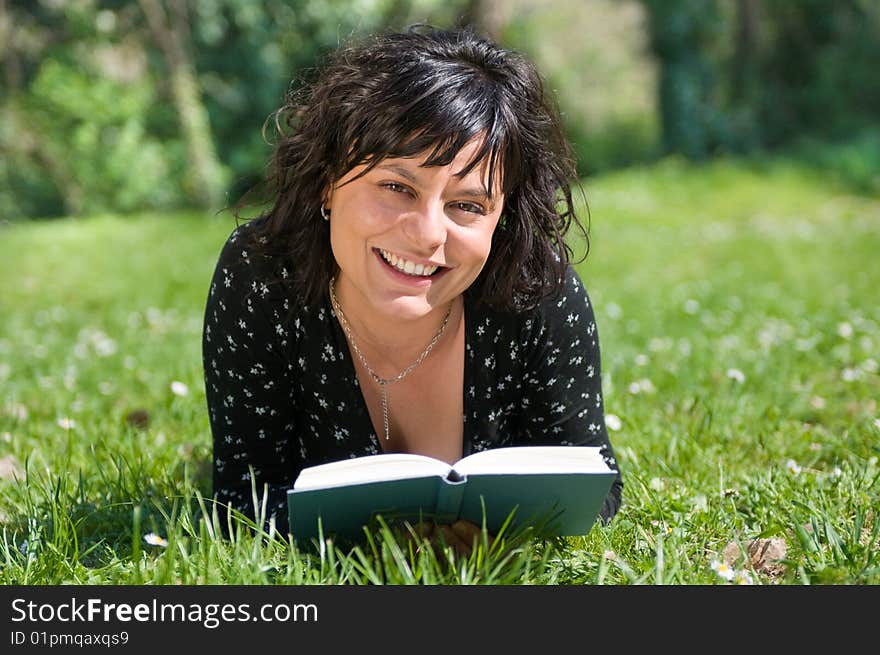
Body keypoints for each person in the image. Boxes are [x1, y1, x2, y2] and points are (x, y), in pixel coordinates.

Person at [202, 24, 623, 551]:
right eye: (397, 187)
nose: (428, 235)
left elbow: (596, 492)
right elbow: (242, 508)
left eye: (467, 205)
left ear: (503, 220)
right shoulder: (260, 279)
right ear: (328, 181)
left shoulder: (537, 289)